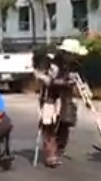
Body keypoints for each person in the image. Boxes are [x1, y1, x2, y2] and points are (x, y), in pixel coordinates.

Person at [34, 39, 84, 167]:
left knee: (65, 123)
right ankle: (50, 153)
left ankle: (58, 149)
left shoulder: (73, 64)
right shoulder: (51, 62)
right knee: (48, 125)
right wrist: (56, 82)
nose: (74, 57)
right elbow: (39, 75)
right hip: (50, 96)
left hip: (65, 97)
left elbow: (76, 79)